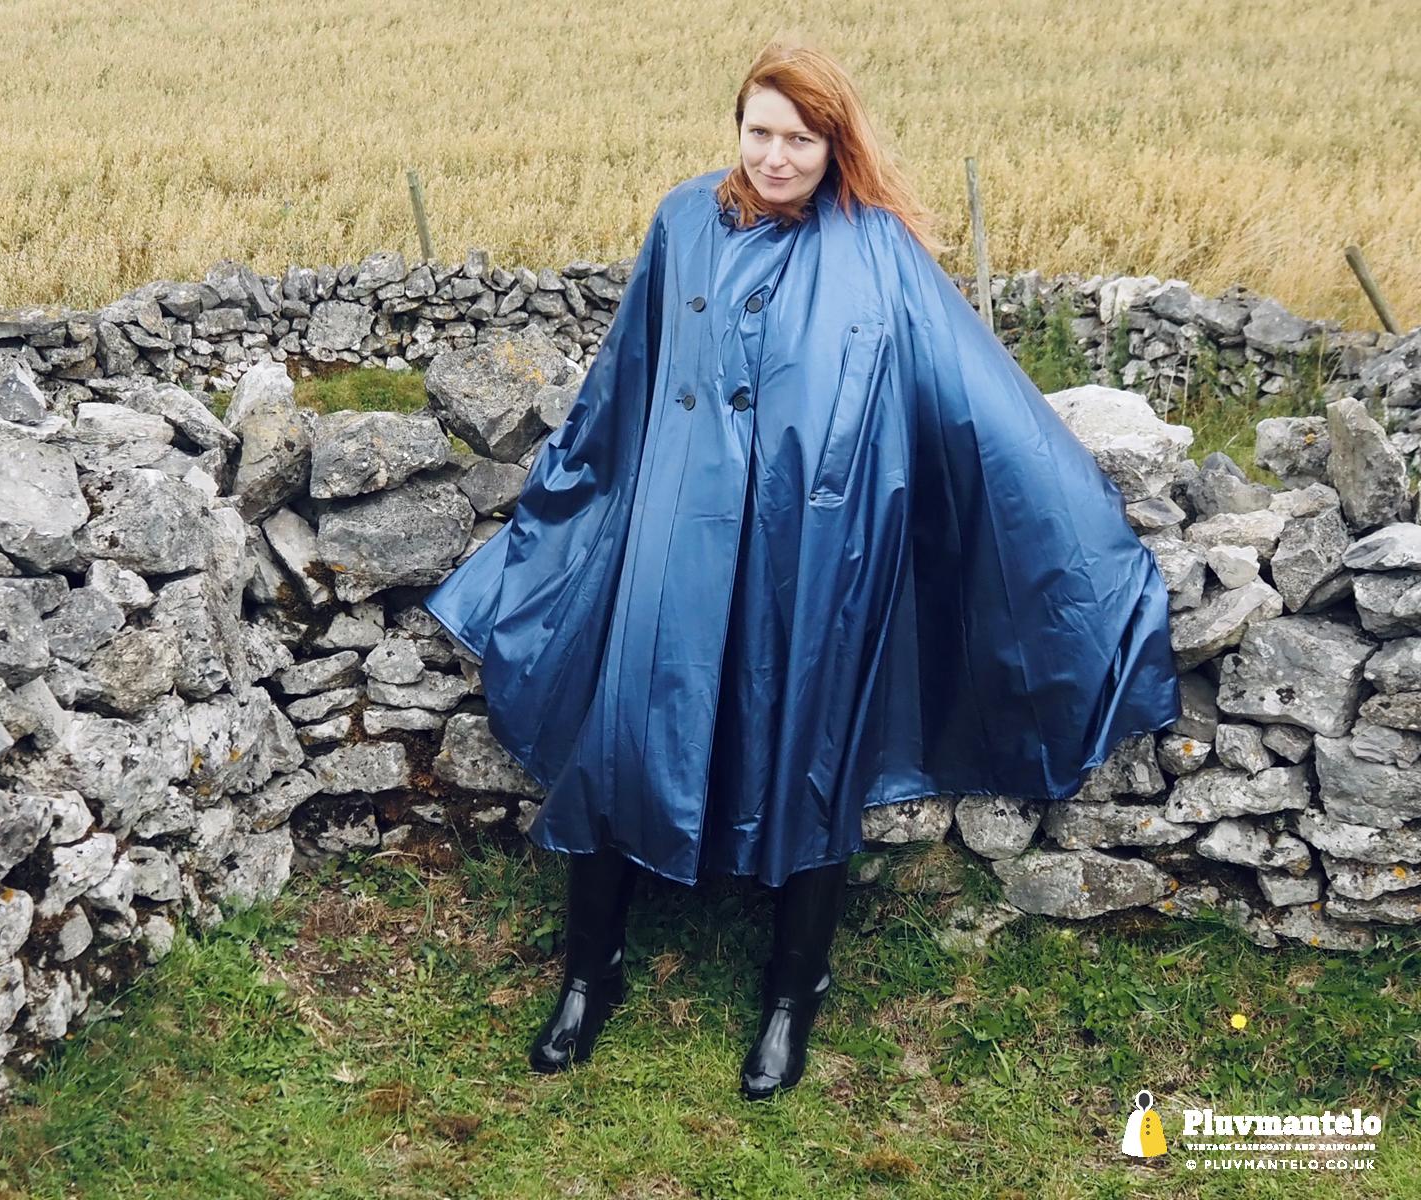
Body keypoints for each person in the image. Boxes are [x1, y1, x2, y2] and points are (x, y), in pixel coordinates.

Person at [423, 41, 1182, 1100]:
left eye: (800, 138)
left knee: (810, 748)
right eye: (760, 132)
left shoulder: (876, 247)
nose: (776, 157)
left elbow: (970, 394)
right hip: (677, 534)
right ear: (736, 129)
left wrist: (1069, 512)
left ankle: (793, 994)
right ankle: (590, 975)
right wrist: (562, 503)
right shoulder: (683, 220)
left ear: (835, 143)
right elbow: (626, 376)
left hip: (815, 545)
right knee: (626, 733)